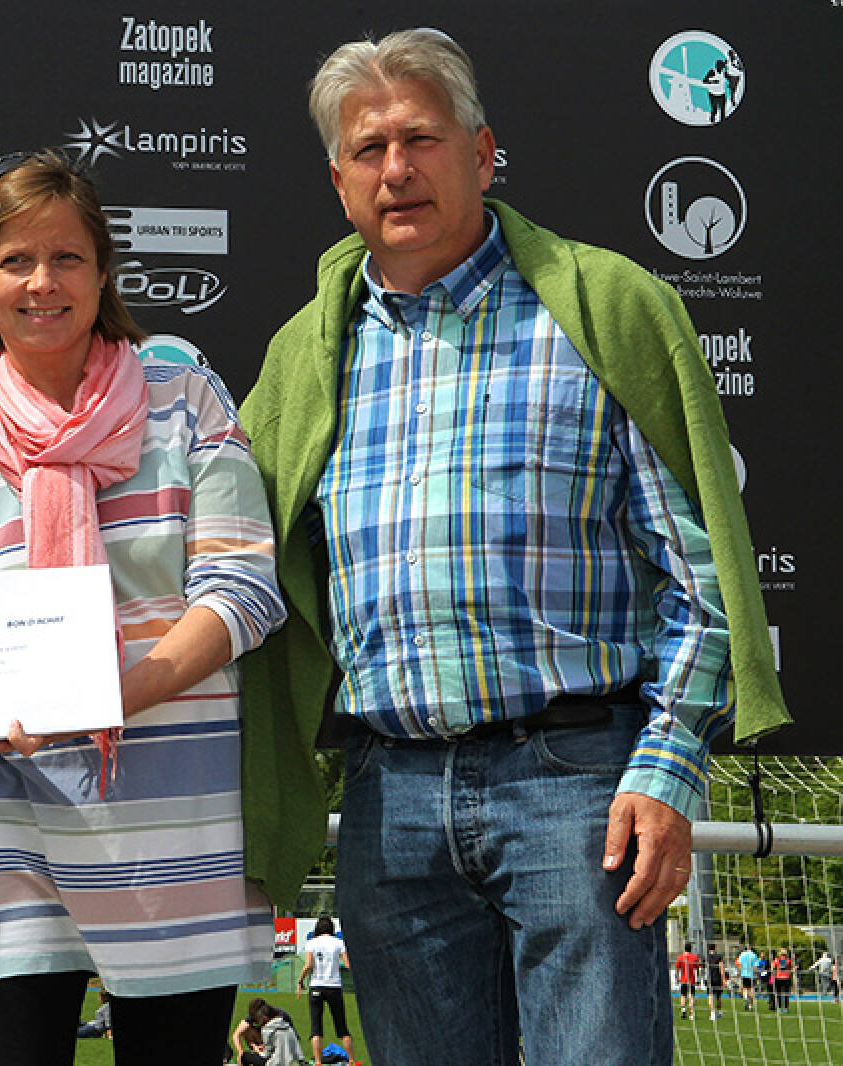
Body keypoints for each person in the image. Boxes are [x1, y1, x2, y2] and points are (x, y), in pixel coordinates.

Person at [237, 27, 788, 1066]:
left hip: (577, 787)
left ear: (483, 154)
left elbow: (703, 577)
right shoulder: (304, 356)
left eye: (420, 139)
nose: (396, 169)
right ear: (339, 184)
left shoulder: (601, 311)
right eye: (367, 149)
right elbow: (232, 566)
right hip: (387, 798)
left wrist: (668, 768)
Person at [0, 149, 285, 1066]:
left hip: (174, 833)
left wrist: (103, 695)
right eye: (16, 261)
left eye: (67, 257)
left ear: (104, 271)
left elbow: (243, 592)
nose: (43, 282)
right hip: (12, 833)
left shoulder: (184, 404)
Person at [298, 917, 355, 1065]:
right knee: (342, 1027)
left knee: (316, 1028)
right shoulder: (339, 943)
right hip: (334, 986)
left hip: (316, 986)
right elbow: (348, 964)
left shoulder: (311, 943)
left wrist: (300, 980)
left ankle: (318, 1062)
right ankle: (352, 1061)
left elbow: (308, 965)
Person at [231, 998, 292, 1063]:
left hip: (283, 1047)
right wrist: (241, 1051)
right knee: (247, 1030)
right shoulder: (254, 1016)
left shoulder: (280, 1017)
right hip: (268, 1047)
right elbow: (236, 1035)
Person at [245, 1001, 304, 1066]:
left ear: (263, 1017)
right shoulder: (286, 1025)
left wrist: (257, 1050)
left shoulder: (267, 1029)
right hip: (296, 1060)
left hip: (278, 1063)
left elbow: (266, 1055)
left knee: (245, 1056)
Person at [676, 943, 701, 1019]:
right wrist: (698, 979)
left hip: (683, 980)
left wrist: (677, 978)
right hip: (691, 980)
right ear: (691, 949)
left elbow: (677, 968)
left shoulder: (680, 957)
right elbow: (697, 969)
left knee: (683, 995)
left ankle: (683, 1009)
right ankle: (691, 1013)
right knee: (691, 996)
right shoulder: (694, 958)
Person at [705, 942, 726, 1018]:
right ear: (715, 948)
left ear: (708, 949)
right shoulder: (719, 956)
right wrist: (723, 979)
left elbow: (704, 969)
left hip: (710, 978)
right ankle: (719, 1012)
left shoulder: (706, 957)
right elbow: (721, 968)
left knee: (710, 996)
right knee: (718, 996)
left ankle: (712, 1012)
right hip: (718, 978)